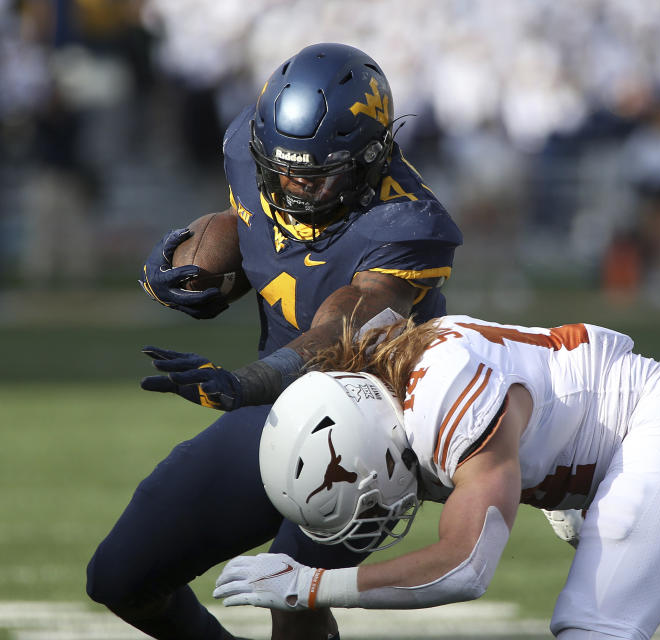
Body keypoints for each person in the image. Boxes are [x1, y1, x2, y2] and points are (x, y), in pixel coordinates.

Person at [84, 43, 462, 640]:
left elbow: (343, 322)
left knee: (291, 599)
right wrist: (205, 266)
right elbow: (255, 231)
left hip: (369, 430)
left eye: (316, 177)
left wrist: (247, 382)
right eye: (282, 170)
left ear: (371, 157)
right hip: (277, 411)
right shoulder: (247, 146)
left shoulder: (411, 223)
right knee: (120, 577)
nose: (293, 189)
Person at [214, 314, 660, 640]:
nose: (381, 515)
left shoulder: (442, 400)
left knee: (594, 630)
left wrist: (311, 585)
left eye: (365, 498)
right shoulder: (393, 380)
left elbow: (466, 566)